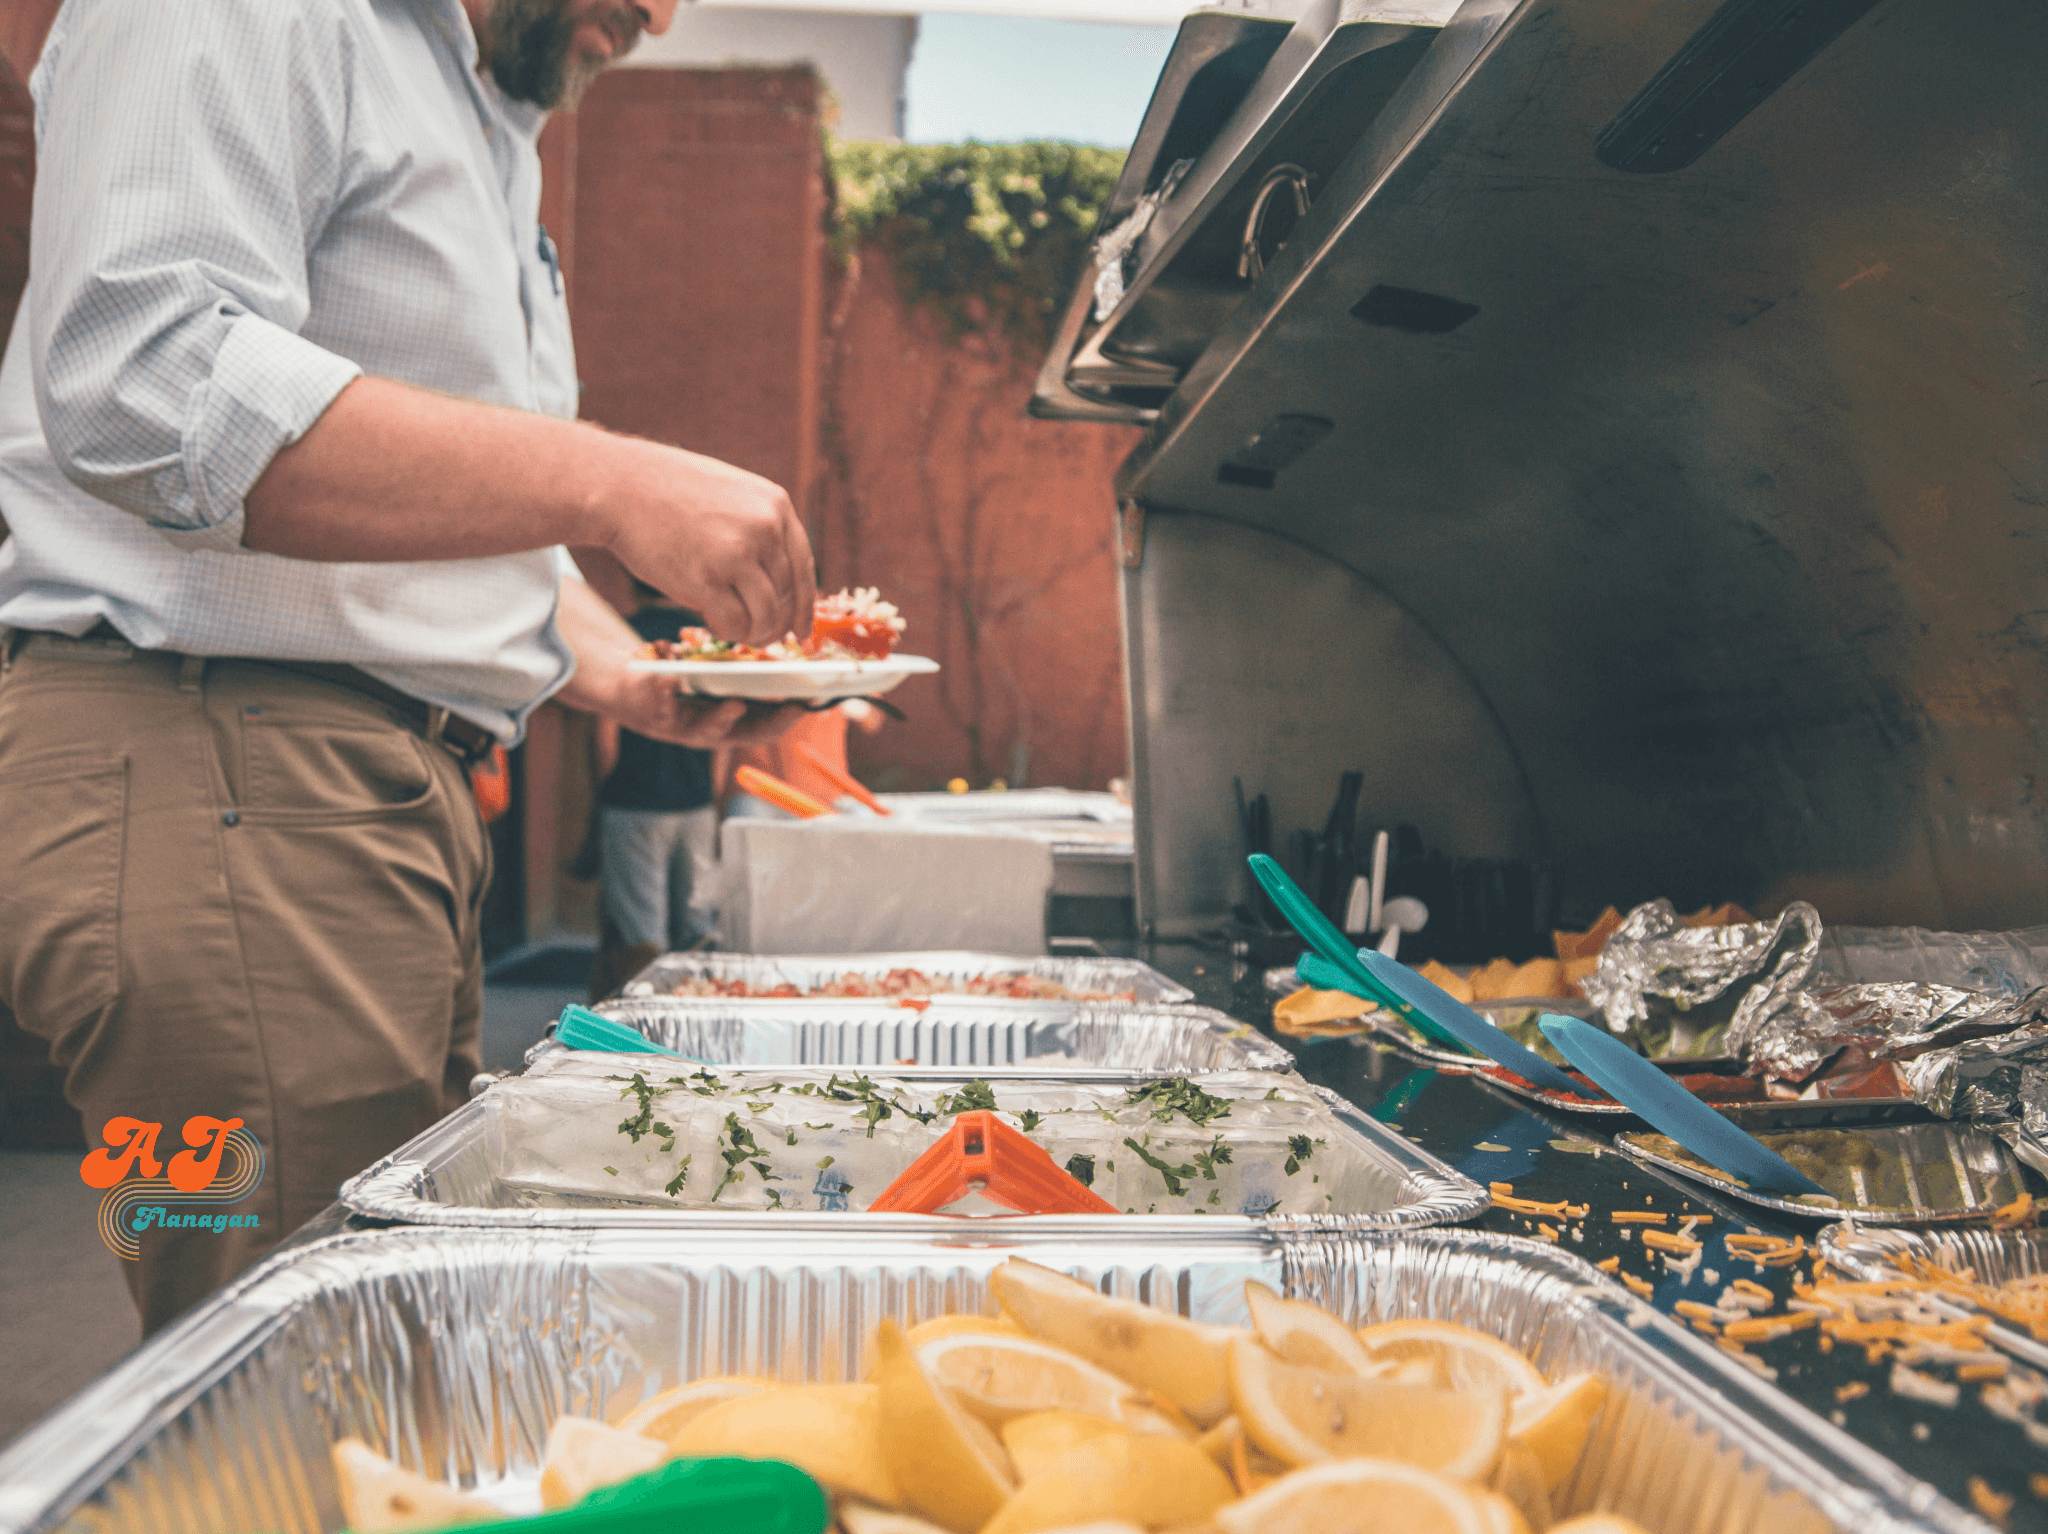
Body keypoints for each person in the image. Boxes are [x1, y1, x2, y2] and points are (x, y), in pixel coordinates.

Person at [0, 0, 814, 1334]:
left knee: (387, 1352)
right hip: (224, 769)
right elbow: (146, 383)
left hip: (338, 796)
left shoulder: (476, 95)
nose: (662, 16)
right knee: (310, 1367)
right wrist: (612, 478)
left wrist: (626, 674)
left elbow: (437, 508)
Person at [589, 582, 721, 993]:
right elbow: (722, 732)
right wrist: (709, 790)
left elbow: (605, 729)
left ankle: (638, 1028)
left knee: (640, 929)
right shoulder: (703, 643)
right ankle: (699, 1015)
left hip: (634, 797)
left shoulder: (622, 636)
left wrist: (610, 783)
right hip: (696, 799)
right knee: (698, 922)